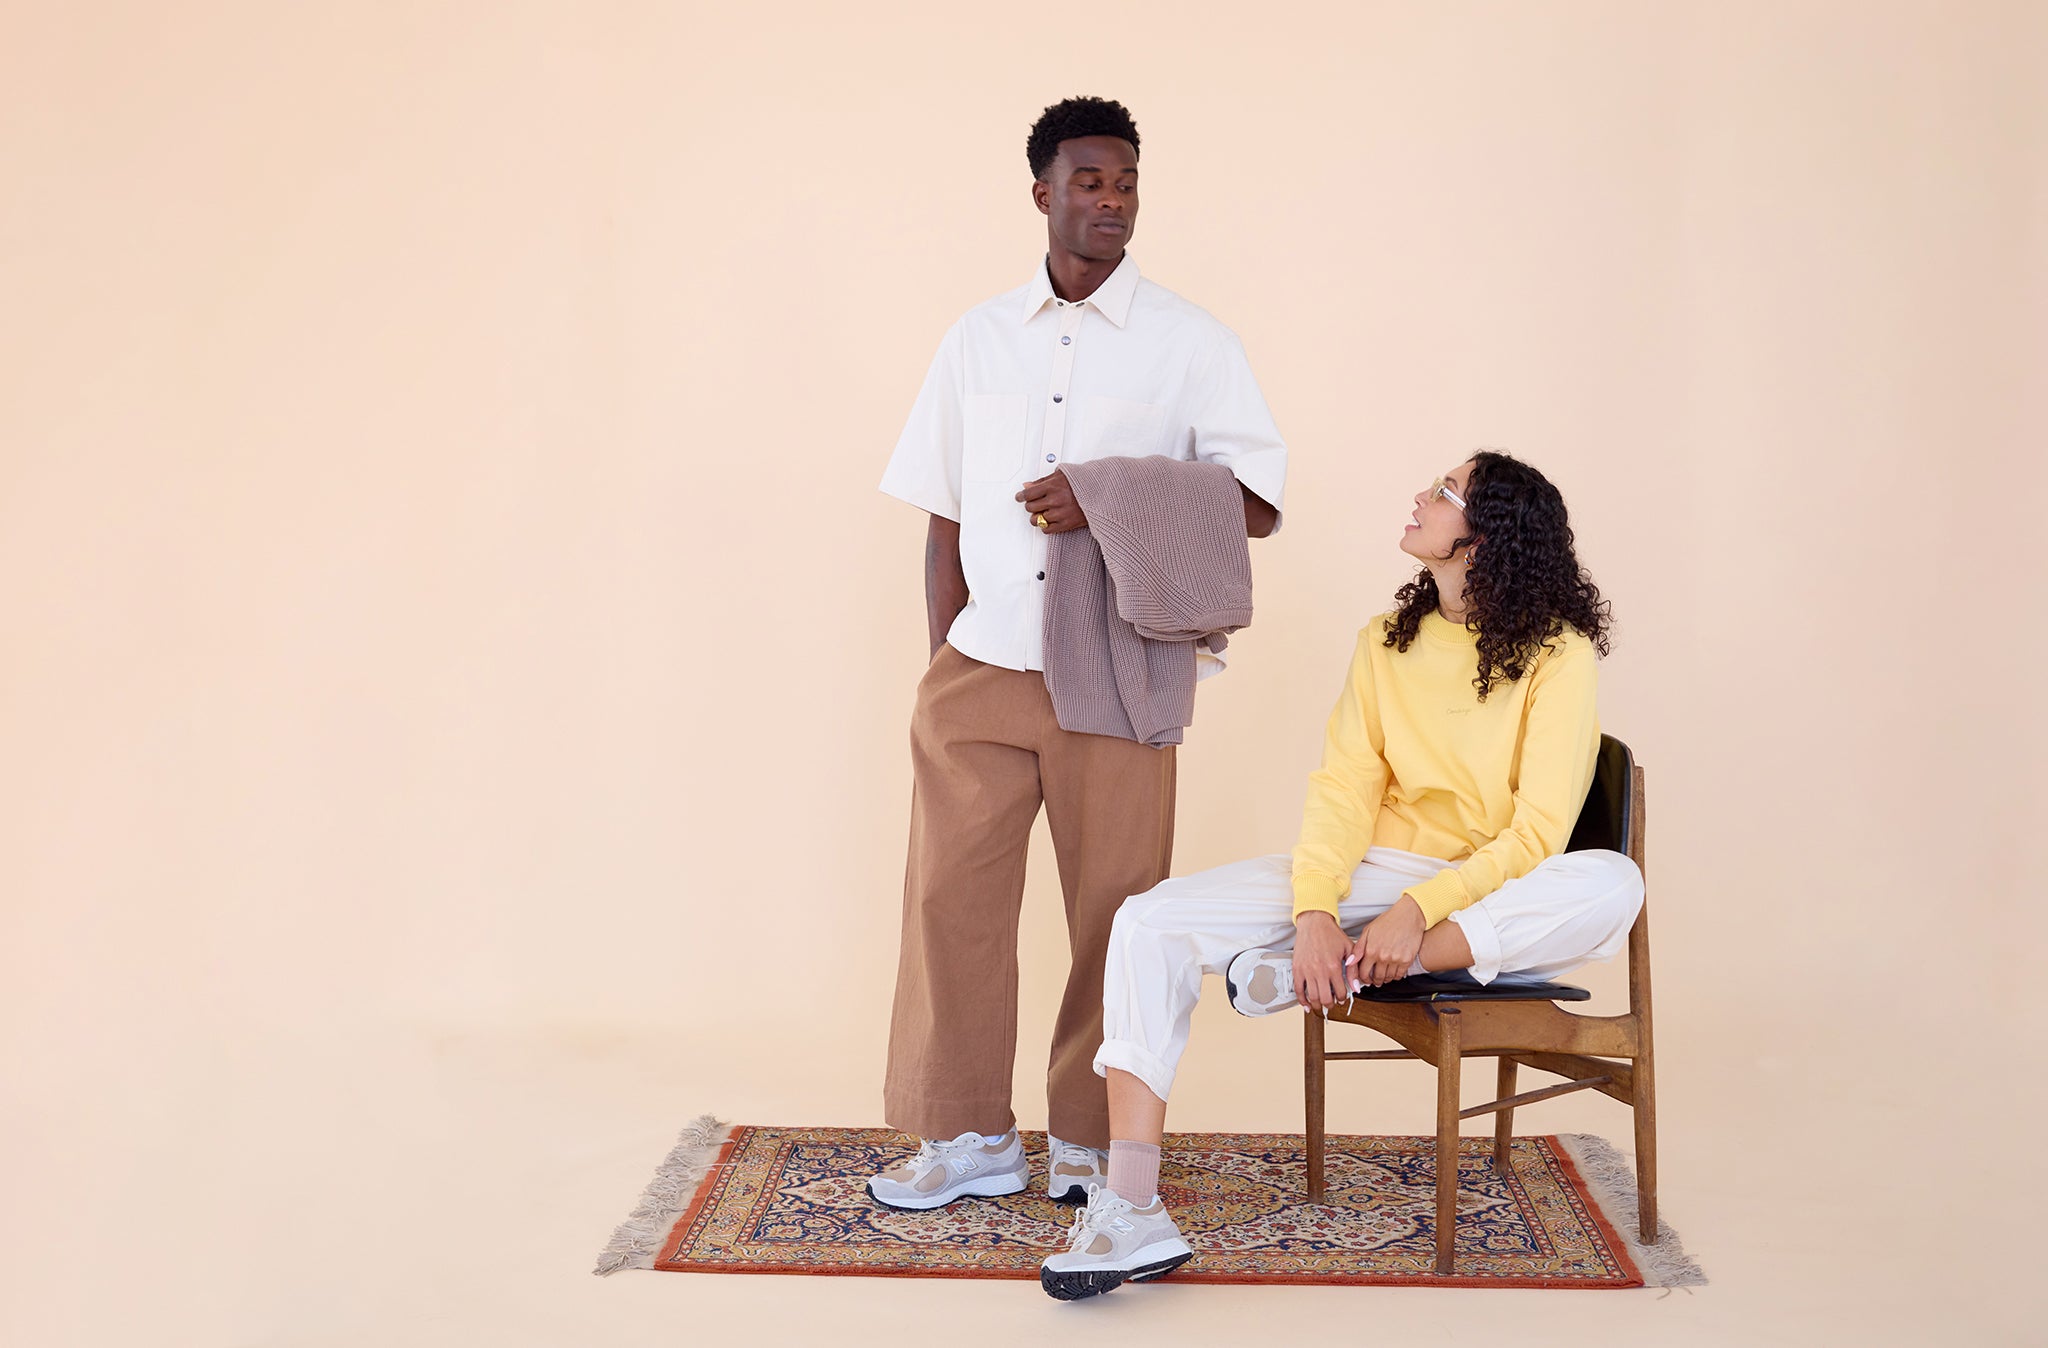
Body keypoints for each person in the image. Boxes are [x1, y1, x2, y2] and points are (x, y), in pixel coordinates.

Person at [1038, 451, 1645, 1300]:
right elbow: (1343, 792)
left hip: (1486, 894)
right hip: (1378, 874)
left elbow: (1538, 833)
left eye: (1445, 492)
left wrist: (1416, 912)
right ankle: (1132, 1207)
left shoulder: (1559, 653)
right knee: (1147, 919)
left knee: (1613, 883)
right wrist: (1317, 911)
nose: (1421, 496)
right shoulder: (1386, 642)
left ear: (1488, 534)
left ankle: (1354, 970)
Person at [866, 96, 1288, 1212]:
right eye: (1090, 181)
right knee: (950, 903)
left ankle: (1094, 1140)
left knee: (1119, 913)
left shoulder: (1192, 342)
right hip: (982, 668)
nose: (1113, 201)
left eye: (1127, 182)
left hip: (1119, 667)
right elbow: (943, 513)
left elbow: (1253, 501)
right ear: (1042, 192)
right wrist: (940, 666)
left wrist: (1106, 493)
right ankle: (965, 1132)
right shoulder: (976, 338)